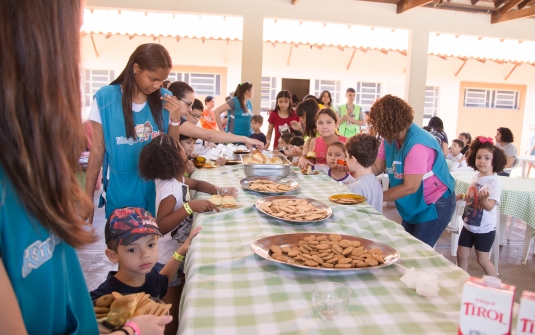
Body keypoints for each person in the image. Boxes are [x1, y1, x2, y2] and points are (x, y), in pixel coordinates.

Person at [0, 1, 171, 334]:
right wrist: (88, 193)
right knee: (127, 248)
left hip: (147, 187)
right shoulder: (106, 98)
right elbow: (97, 153)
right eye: (74, 33)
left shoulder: (160, 102)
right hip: (119, 186)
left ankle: (135, 298)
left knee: (144, 250)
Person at [138, 134, 224, 335]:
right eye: (180, 147)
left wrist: (219, 190)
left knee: (181, 301)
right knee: (171, 313)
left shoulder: (176, 179)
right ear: (174, 156)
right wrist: (189, 206)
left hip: (177, 253)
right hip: (167, 260)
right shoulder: (169, 189)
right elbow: (161, 226)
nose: (185, 150)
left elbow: (196, 185)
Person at [367, 95, 455, 247]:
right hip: (413, 204)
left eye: (382, 127)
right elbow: (376, 167)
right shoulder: (390, 138)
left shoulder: (418, 144)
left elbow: (410, 187)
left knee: (419, 252)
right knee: (408, 249)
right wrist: (355, 169)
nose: (381, 133)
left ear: (391, 124)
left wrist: (374, 196)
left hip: (434, 203)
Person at [90, 207, 201, 300]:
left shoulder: (149, 277)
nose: (145, 254)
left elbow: (163, 281)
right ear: (113, 255)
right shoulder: (104, 297)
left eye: (150, 245)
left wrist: (181, 250)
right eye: (132, 250)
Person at [456, 136, 507, 277]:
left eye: (486, 158)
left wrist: (484, 199)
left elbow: (489, 206)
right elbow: (473, 198)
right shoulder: (476, 177)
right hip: (468, 226)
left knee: (482, 260)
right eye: (479, 157)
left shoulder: (494, 182)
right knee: (461, 254)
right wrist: (463, 196)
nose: (481, 161)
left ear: (495, 161)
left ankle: (496, 286)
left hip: (484, 229)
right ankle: (462, 280)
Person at [345, 134, 383, 213]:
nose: (345, 159)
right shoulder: (376, 182)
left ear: (353, 160)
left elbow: (353, 214)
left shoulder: (356, 187)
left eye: (346, 156)